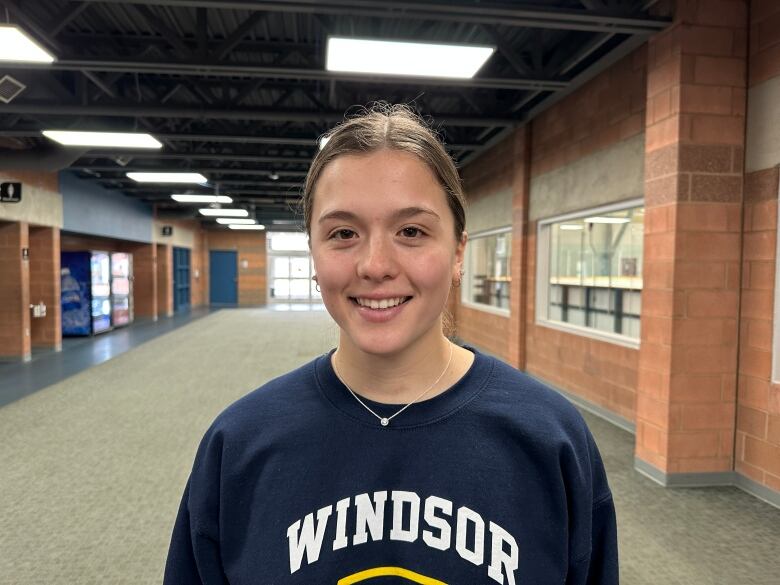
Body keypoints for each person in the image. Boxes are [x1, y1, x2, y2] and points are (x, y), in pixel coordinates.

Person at [163, 104, 618, 585]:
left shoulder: (551, 439)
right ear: (314, 255)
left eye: (411, 231)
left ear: (459, 252)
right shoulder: (239, 445)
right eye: (343, 233)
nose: (375, 265)